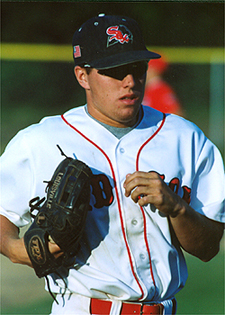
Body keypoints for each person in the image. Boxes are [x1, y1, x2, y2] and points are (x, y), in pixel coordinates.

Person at [0, 14, 224, 315]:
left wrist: (177, 208)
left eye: (136, 68)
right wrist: (19, 251)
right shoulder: (40, 141)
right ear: (83, 76)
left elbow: (209, 248)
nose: (129, 81)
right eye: (114, 71)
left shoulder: (186, 138)